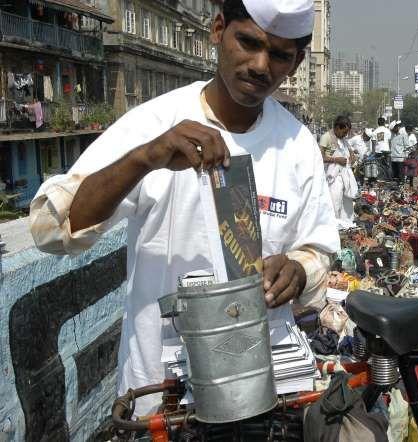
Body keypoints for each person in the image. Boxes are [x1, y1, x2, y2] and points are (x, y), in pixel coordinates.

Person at [29, 0, 340, 415]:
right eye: (248, 43)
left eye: (280, 55)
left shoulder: (298, 144)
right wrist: (145, 159)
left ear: (297, 61)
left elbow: (319, 253)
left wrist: (299, 271)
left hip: (263, 391)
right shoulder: (154, 123)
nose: (260, 65)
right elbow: (51, 230)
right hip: (159, 395)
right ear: (217, 30)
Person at [320, 115, 357, 223]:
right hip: (330, 176)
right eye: (344, 132)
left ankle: (344, 224)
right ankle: (333, 224)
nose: (345, 135)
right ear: (337, 128)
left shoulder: (343, 140)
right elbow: (320, 158)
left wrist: (352, 156)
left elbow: (350, 151)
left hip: (343, 176)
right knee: (334, 202)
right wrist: (336, 160)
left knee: (346, 203)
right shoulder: (326, 137)